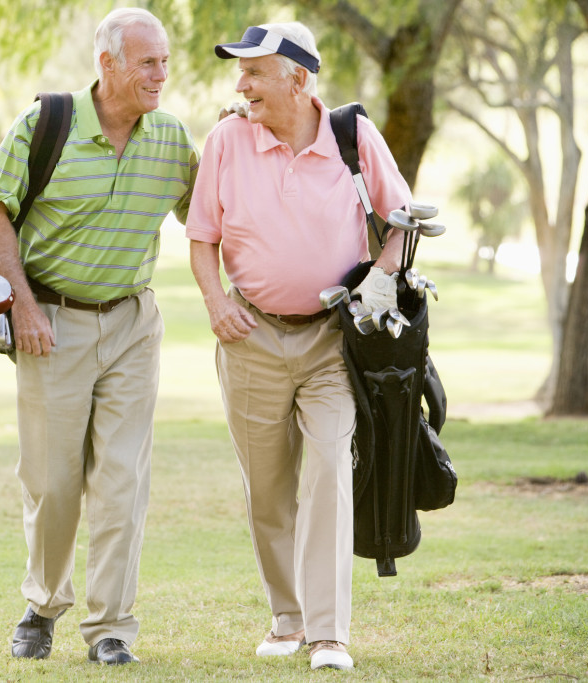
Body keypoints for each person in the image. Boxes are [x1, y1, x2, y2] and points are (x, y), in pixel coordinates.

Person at [0, 7, 198, 666]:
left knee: (123, 479)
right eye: (147, 62)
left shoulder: (171, 139)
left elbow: (212, 212)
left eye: (164, 61)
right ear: (108, 64)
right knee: (52, 480)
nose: (161, 74)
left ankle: (112, 629)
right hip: (52, 322)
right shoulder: (49, 122)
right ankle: (42, 603)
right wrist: (22, 304)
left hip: (131, 323)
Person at [185, 22, 413, 672]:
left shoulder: (353, 135)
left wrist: (380, 282)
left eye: (254, 72)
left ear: (298, 78)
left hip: (332, 339)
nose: (241, 84)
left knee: (329, 466)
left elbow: (400, 224)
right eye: (241, 72)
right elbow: (202, 236)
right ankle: (285, 616)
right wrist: (216, 301)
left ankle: (328, 632)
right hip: (250, 334)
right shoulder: (227, 139)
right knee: (268, 485)